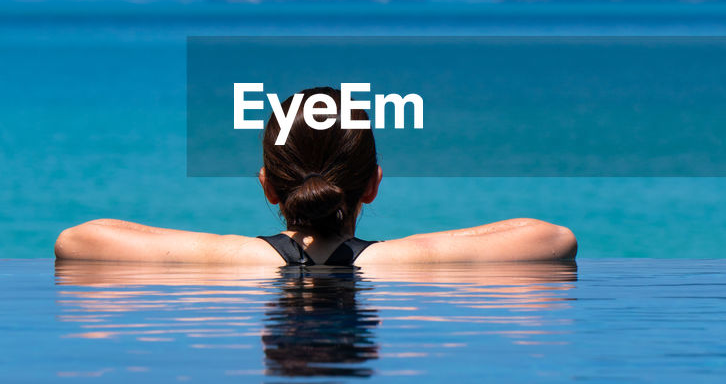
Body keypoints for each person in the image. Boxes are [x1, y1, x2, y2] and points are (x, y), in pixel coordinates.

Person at [54, 86, 577, 265]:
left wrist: (212, 248)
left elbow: (76, 241)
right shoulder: (396, 264)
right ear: (373, 184)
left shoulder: (236, 262)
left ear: (267, 186)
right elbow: (554, 238)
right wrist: (424, 247)